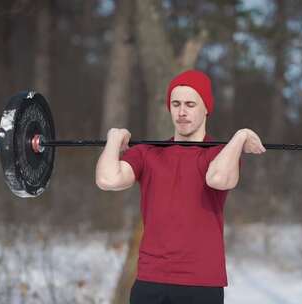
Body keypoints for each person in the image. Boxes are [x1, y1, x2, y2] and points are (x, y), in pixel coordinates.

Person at [95, 70, 265, 304]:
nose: (182, 112)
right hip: (150, 280)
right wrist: (115, 138)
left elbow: (217, 179)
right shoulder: (147, 153)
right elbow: (108, 180)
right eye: (176, 104)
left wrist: (239, 137)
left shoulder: (219, 154)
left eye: (190, 104)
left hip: (201, 283)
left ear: (206, 108)